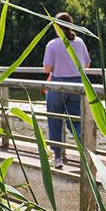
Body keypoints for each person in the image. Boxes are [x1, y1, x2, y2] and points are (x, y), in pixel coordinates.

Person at [43, 12, 91, 169]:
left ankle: (57, 158)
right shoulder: (80, 42)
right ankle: (85, 152)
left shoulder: (52, 44)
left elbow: (47, 69)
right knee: (76, 123)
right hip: (77, 84)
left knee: (55, 121)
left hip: (57, 85)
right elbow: (87, 64)